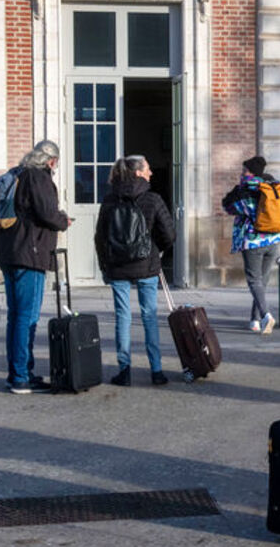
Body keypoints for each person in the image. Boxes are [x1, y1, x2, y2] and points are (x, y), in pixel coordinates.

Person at [0, 140, 71, 395]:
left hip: (10, 252)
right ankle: (21, 376)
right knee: (27, 316)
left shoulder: (19, 173)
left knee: (15, 315)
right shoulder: (38, 177)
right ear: (51, 161)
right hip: (28, 254)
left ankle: (17, 372)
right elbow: (47, 214)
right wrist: (63, 221)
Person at [94, 155, 176, 387]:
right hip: (146, 265)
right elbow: (169, 234)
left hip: (118, 266)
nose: (151, 172)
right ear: (139, 172)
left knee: (123, 317)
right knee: (149, 317)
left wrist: (104, 265)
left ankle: (125, 370)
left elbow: (100, 236)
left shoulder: (110, 199)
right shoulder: (152, 199)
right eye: (148, 169)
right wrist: (156, 250)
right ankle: (156, 371)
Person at [221, 155, 280, 335]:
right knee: (261, 282)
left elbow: (228, 206)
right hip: (275, 241)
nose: (241, 173)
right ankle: (255, 321)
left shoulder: (246, 189)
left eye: (243, 170)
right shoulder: (276, 188)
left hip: (253, 242)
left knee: (254, 281)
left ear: (250, 172)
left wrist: (238, 190)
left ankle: (265, 315)